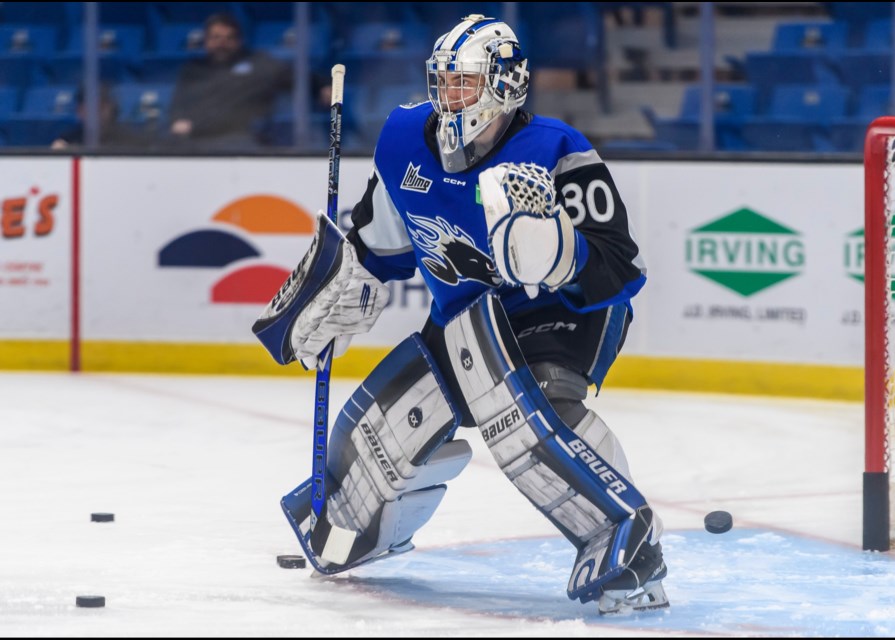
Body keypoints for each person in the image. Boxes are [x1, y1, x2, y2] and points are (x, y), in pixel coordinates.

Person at [253, 14, 664, 615]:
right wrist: (348, 279)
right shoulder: (401, 142)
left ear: (505, 84)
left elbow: (621, 266)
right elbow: (380, 243)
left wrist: (555, 251)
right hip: (472, 313)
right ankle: (355, 527)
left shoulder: (556, 149)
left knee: (535, 410)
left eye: (464, 84)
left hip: (566, 311)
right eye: (443, 82)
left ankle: (629, 545)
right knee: (383, 433)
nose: (449, 98)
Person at [167, 12, 292, 150]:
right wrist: (176, 121)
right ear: (206, 41)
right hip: (197, 144)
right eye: (216, 38)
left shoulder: (258, 66)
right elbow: (177, 105)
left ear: (239, 41)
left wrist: (320, 86)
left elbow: (295, 75)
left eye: (229, 38)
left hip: (241, 142)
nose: (222, 44)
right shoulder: (192, 71)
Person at [51, 84, 152, 150]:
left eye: (101, 107)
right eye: (91, 107)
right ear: (79, 111)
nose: (98, 113)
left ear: (111, 108)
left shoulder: (131, 140)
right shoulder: (68, 139)